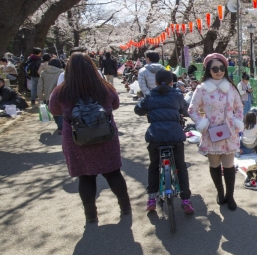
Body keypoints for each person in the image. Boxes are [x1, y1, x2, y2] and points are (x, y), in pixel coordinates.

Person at [48, 52, 130, 224]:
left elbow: (54, 110)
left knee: (85, 177)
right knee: (113, 172)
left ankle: (91, 216)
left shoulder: (61, 91)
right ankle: (125, 208)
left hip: (77, 140)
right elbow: (115, 104)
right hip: (105, 136)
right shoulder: (105, 88)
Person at [188, 53, 244, 211]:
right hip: (210, 133)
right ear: (208, 70)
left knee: (229, 165)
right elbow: (192, 109)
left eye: (222, 68)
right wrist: (202, 123)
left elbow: (239, 106)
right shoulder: (202, 88)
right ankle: (220, 192)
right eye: (215, 69)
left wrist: (237, 121)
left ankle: (230, 195)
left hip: (230, 131)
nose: (219, 71)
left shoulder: (231, 87)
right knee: (214, 164)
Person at [134, 69, 194, 214]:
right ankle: (185, 199)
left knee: (154, 166)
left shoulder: (150, 96)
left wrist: (147, 111)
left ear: (155, 82)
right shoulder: (177, 95)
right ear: (171, 82)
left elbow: (138, 110)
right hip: (175, 136)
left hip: (155, 137)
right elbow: (186, 111)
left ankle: (151, 199)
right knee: (181, 166)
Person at [38, 59, 64, 134]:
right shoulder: (61, 72)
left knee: (54, 111)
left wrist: (40, 97)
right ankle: (61, 127)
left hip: (48, 96)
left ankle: (59, 126)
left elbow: (40, 86)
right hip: (59, 95)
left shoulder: (44, 73)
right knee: (61, 112)